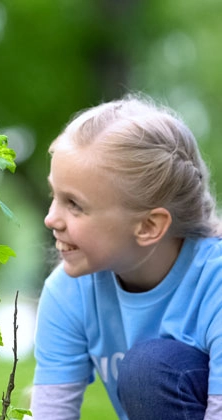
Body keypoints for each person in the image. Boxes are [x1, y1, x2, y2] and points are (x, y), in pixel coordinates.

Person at [30, 94, 222, 420]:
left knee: (151, 369)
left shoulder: (214, 284)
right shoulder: (68, 291)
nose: (51, 219)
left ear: (148, 226)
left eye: (74, 204)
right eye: (55, 196)